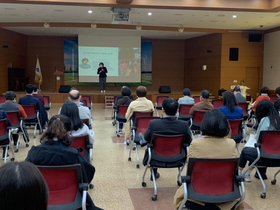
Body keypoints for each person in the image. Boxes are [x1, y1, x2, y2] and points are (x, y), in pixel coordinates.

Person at [26, 115, 102, 210]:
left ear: (48, 130)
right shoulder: (73, 155)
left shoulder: (33, 153)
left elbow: (26, 177)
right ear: (69, 132)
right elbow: (87, 176)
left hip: (40, 199)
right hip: (73, 202)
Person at [174, 109, 238, 210]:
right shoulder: (231, 144)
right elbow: (234, 171)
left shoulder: (196, 143)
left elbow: (189, 170)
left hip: (197, 196)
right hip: (226, 196)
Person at [143, 98, 193, 180]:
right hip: (178, 158)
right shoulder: (184, 125)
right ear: (177, 111)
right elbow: (189, 140)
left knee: (151, 146)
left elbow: (146, 137)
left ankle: (154, 171)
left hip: (156, 157)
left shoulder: (154, 123)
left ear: (162, 110)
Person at [239, 99, 280, 181]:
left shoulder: (264, 120)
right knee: (255, 152)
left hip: (265, 154)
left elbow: (259, 139)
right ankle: (246, 174)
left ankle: (240, 174)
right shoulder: (278, 119)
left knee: (245, 151)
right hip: (278, 156)